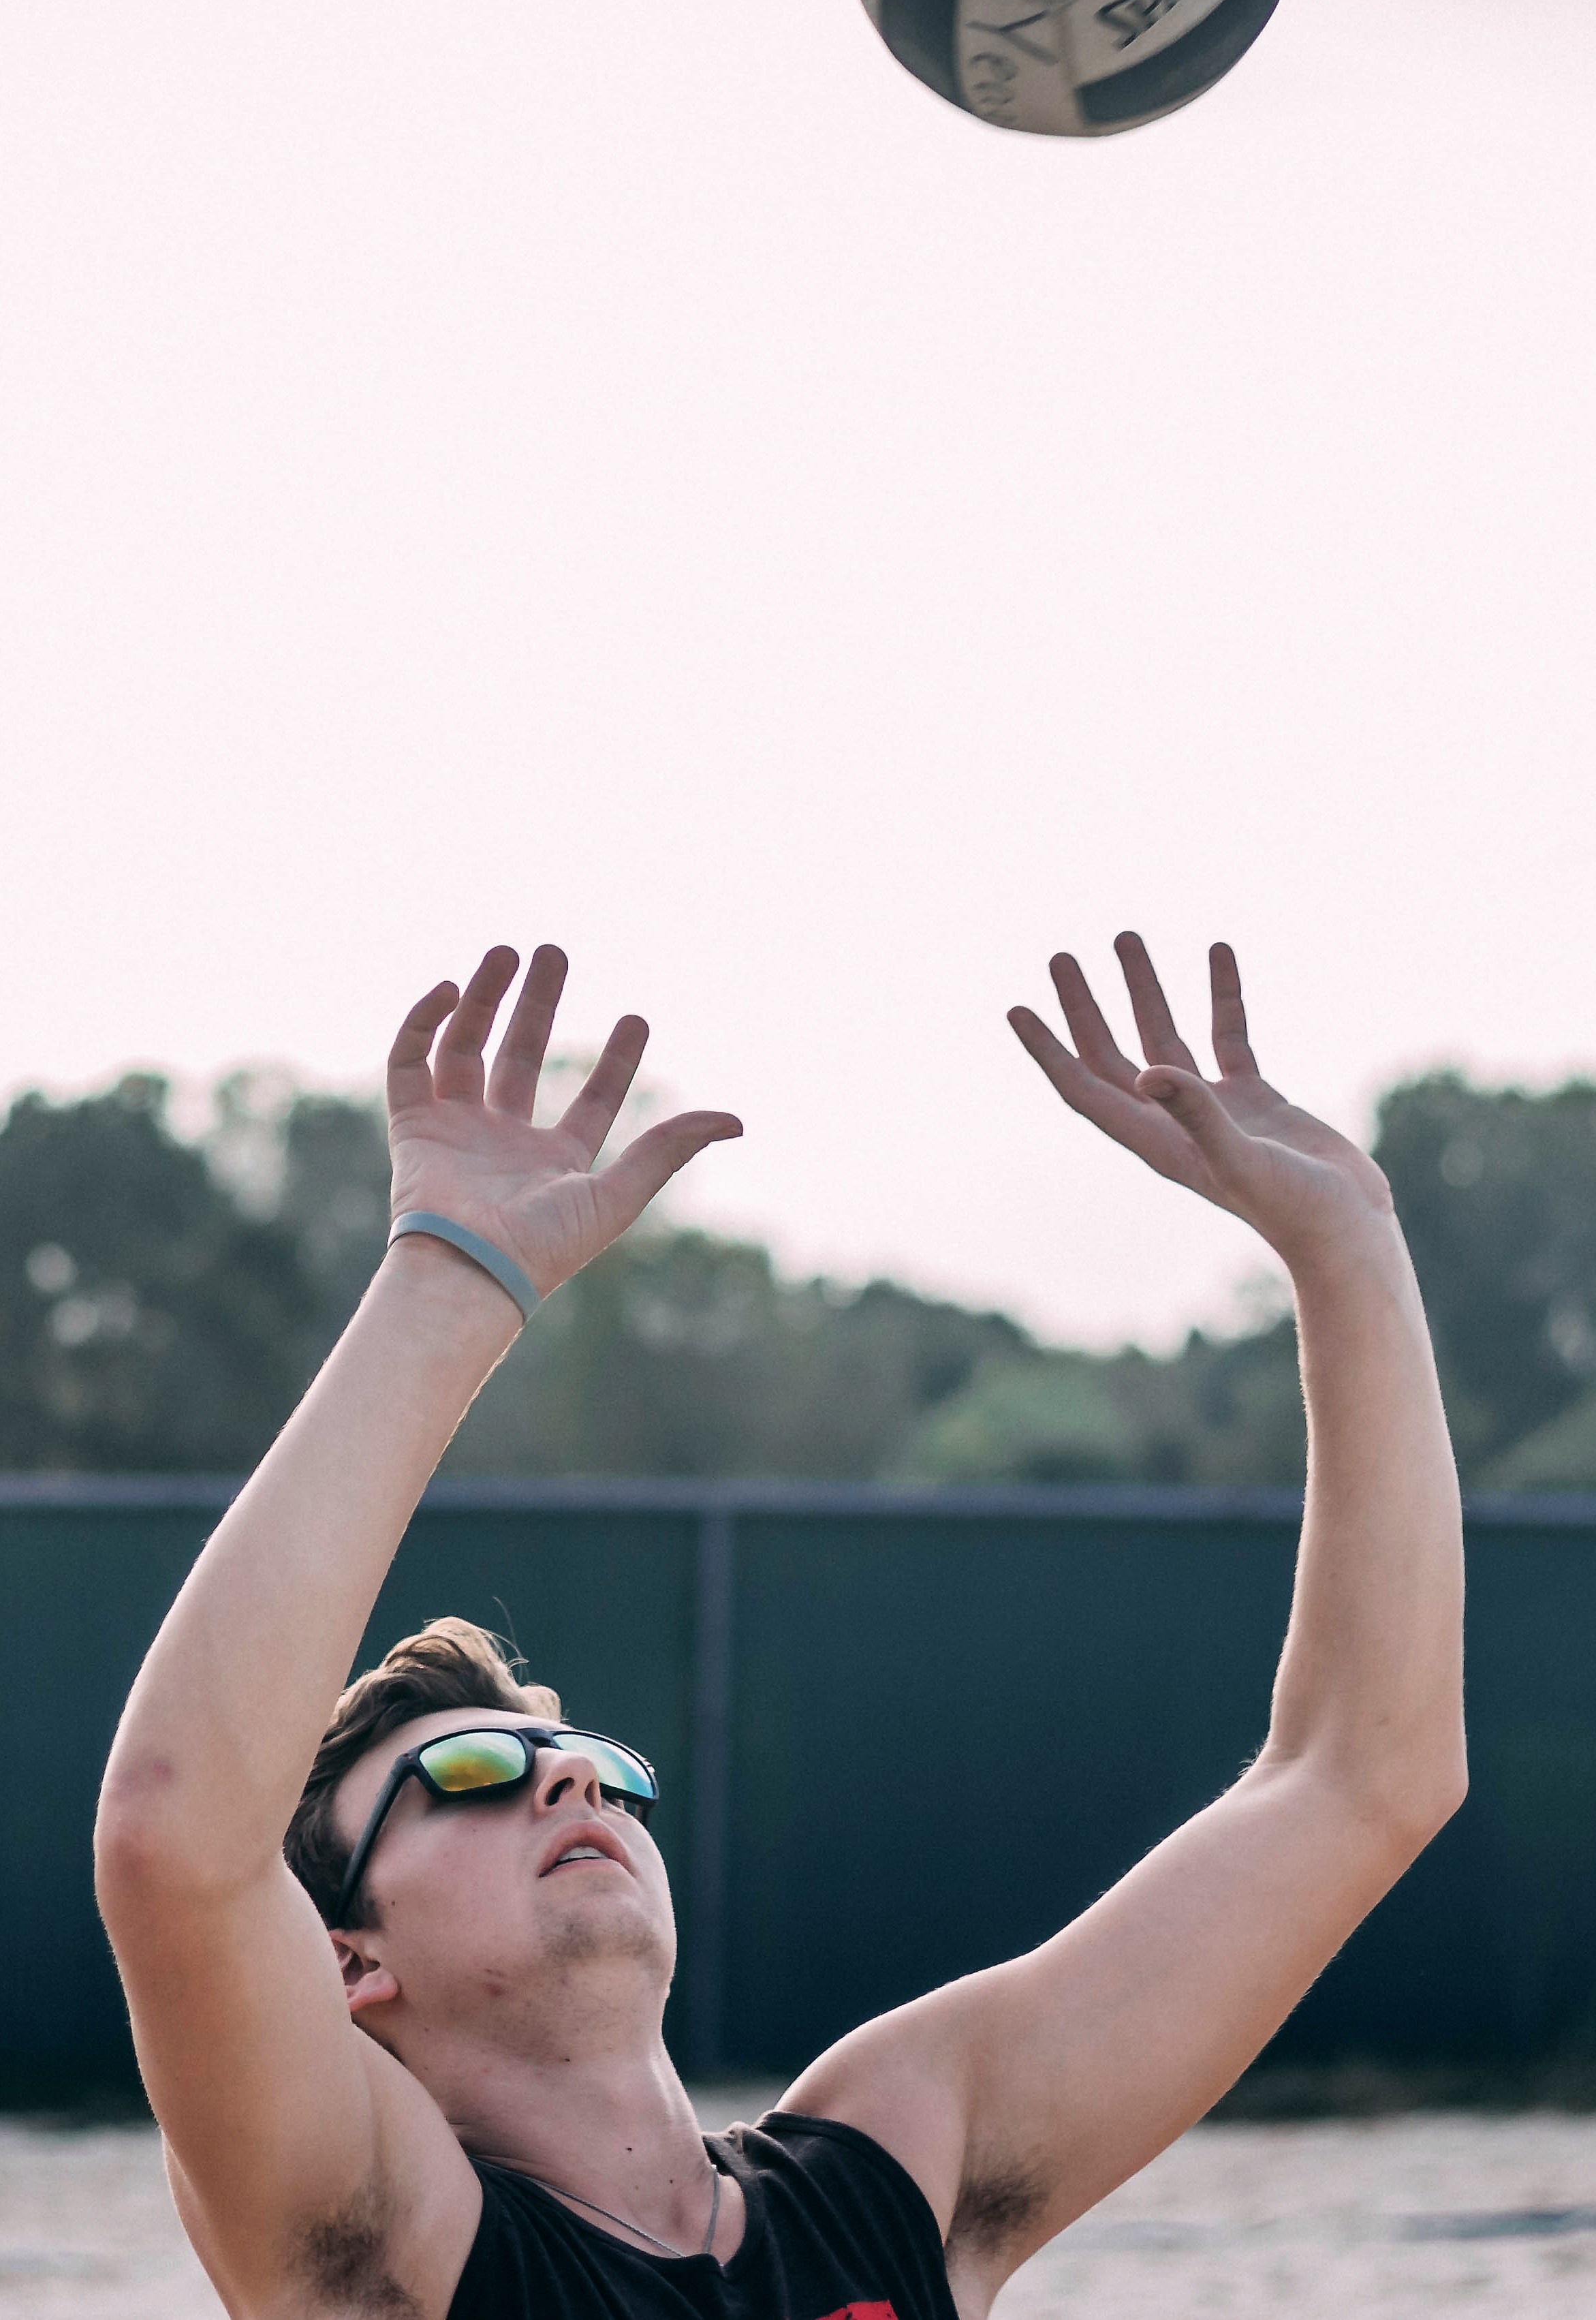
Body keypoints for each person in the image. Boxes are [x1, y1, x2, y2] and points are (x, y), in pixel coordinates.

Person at [95, 935, 1466, 2320]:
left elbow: (1365, 1777)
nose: (566, 1780)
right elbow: (175, 1836)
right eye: (469, 1773)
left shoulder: (891, 2168)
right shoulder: (382, 2244)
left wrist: (1349, 1243)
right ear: (348, 1962)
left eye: (595, 1764)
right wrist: (454, 1273)